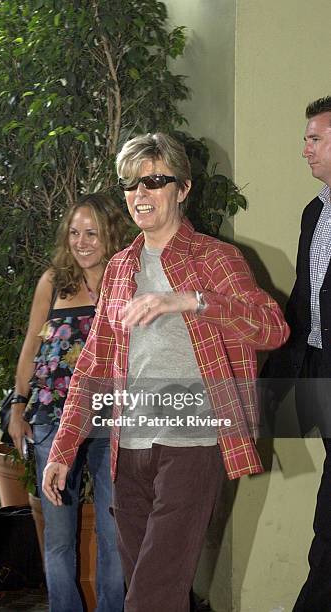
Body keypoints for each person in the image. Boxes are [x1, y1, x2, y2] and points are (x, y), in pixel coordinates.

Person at [43, 132, 289, 612]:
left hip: (193, 444)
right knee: (154, 591)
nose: (141, 194)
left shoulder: (215, 259)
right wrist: (63, 448)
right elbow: (93, 364)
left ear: (183, 188)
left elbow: (271, 329)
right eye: (131, 184)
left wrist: (194, 302)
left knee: (150, 598)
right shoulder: (119, 268)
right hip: (129, 449)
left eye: (155, 181)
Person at [8, 193, 127, 612]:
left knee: (115, 533)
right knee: (59, 537)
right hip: (52, 422)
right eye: (74, 232)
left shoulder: (126, 281)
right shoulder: (52, 282)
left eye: (91, 232)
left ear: (110, 235)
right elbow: (30, 348)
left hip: (113, 420)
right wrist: (18, 405)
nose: (81, 242)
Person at [261, 96, 331, 612]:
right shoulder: (315, 212)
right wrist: (267, 391)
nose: (303, 149)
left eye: (315, 139)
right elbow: (302, 306)